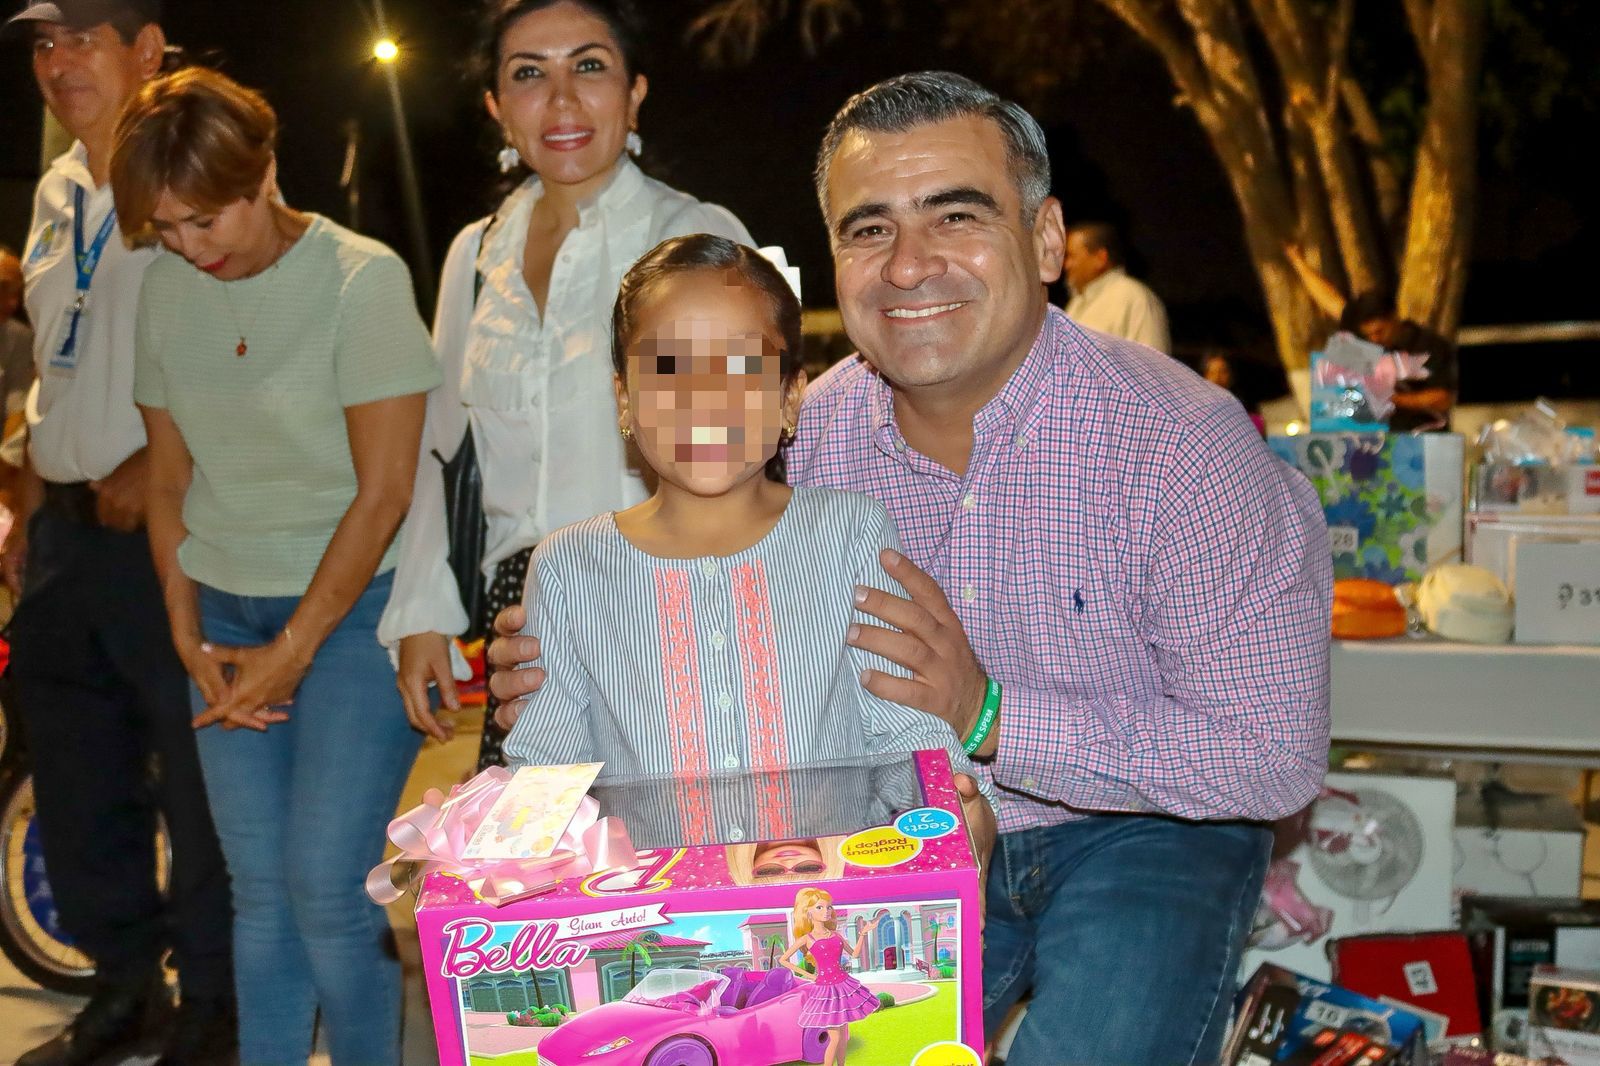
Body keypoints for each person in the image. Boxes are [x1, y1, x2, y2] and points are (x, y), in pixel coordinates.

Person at [489, 72, 1332, 1065]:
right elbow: (666, 581)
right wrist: (577, 650)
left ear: (1048, 240)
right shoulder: (793, 434)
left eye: (955, 215)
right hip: (885, 842)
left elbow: (1273, 754)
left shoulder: (1182, 447)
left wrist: (990, 716)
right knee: (807, 1040)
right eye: (869, 229)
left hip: (1140, 829)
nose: (908, 264)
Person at [112, 66, 440, 1063]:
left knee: (327, 892)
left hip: (351, 617)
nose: (186, 246)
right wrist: (185, 627)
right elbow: (169, 479)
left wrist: (292, 650)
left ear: (262, 176)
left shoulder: (360, 280)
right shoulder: (164, 289)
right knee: (258, 896)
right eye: (165, 227)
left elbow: (384, 494)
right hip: (219, 611)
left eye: (204, 219)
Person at [496, 233, 994, 833]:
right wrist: (503, 843)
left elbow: (903, 729)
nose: (705, 399)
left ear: (789, 397)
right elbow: (549, 770)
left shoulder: (848, 534)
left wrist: (951, 812)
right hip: (648, 896)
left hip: (835, 887)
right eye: (669, 368)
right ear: (624, 399)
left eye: (740, 367)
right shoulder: (569, 567)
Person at [379, 0, 752, 769]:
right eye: (528, 74)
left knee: (678, 839)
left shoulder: (698, 240)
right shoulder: (474, 257)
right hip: (525, 628)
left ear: (634, 92)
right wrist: (421, 611)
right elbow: (442, 449)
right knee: (543, 842)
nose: (561, 99)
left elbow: (749, 455)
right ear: (496, 107)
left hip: (673, 607)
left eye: (588, 66)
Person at [1, 4, 235, 1064]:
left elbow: (252, 337)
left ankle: (217, 999)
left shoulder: (201, 163)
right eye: (42, 45)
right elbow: (57, 362)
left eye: (82, 37)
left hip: (173, 527)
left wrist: (160, 461)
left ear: (146, 48)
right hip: (64, 531)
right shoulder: (55, 190)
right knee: (76, 772)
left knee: (196, 776)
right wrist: (30, 491)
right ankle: (126, 982)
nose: (57, 62)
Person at [1284, 244, 1457, 431]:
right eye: (1369, 334)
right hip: (1380, 437)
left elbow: (1443, 399)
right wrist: (1298, 262)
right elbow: (1331, 301)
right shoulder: (1366, 339)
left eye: (1380, 331)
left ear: (1394, 318)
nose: (1374, 339)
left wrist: (1390, 398)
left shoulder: (1431, 345)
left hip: (1424, 434)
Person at [779, 888, 884, 1066]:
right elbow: (783, 959)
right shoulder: (807, 938)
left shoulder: (836, 935)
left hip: (843, 985)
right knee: (834, 1037)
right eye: (820, 907)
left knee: (842, 1036)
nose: (826, 911)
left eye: (828, 907)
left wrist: (863, 933)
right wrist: (810, 976)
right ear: (808, 912)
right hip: (825, 990)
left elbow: (854, 954)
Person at [1062, 220, 1172, 354]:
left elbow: (1153, 362)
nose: (1066, 265)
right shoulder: (1077, 302)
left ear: (1100, 258)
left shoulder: (1135, 297)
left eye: (1071, 256)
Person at [0, 243, 33, 489]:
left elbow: (18, 410)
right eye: (2, 289)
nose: (12, 303)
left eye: (18, 293)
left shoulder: (20, 339)